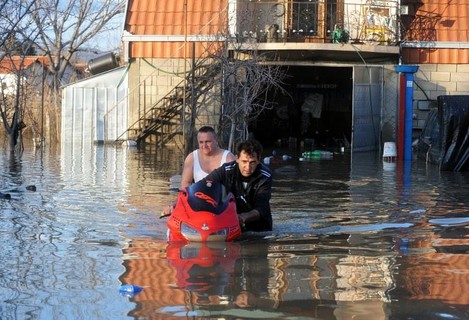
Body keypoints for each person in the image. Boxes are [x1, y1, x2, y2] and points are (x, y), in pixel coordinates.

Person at [203, 139, 272, 232]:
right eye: (244, 161)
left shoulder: (265, 176)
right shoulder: (225, 170)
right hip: (231, 224)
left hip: (259, 228)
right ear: (237, 159)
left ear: (259, 160)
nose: (247, 167)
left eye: (252, 162)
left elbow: (262, 208)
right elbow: (203, 185)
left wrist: (242, 217)